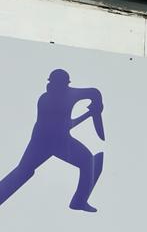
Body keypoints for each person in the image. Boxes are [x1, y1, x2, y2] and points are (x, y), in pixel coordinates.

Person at [0, 69, 105, 212]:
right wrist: (89, 113)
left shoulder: (70, 94)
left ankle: (79, 201)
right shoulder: (46, 100)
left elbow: (92, 92)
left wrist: (96, 104)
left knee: (88, 161)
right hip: (43, 142)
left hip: (59, 140)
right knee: (23, 172)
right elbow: (65, 127)